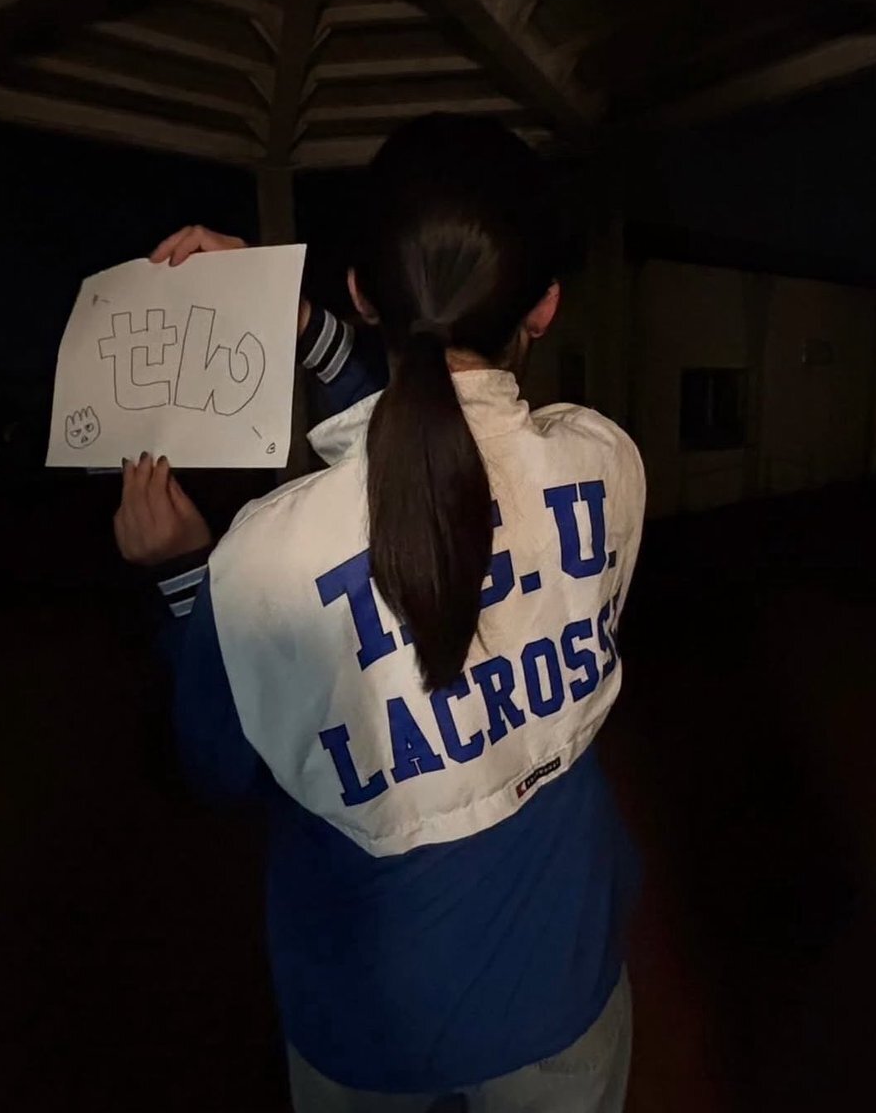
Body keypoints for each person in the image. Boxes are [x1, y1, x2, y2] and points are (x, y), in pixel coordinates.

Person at [115, 116, 646, 1112]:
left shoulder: (259, 559)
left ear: (362, 291)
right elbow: (426, 456)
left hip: (366, 1012)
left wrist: (183, 579)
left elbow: (217, 767)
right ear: (544, 304)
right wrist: (304, 331)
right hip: (560, 969)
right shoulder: (606, 460)